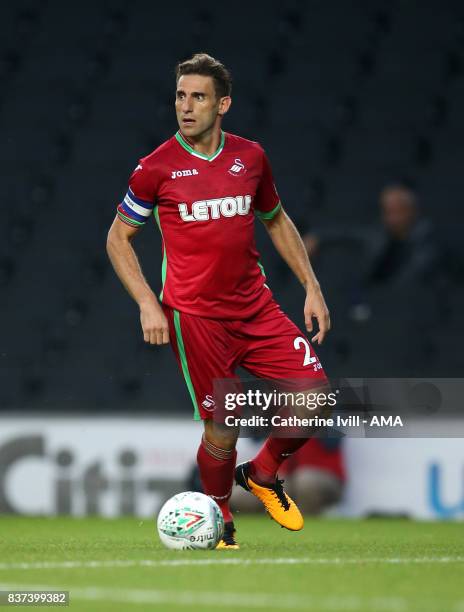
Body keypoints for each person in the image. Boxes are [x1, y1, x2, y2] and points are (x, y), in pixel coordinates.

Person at [107, 53, 331, 549]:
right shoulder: (156, 168)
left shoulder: (250, 158)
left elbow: (275, 218)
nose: (186, 107)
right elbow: (117, 238)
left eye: (199, 97)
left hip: (256, 307)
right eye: (181, 97)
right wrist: (148, 302)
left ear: (223, 103)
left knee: (316, 397)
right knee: (223, 426)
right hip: (196, 316)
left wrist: (312, 286)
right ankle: (221, 520)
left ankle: (264, 472)